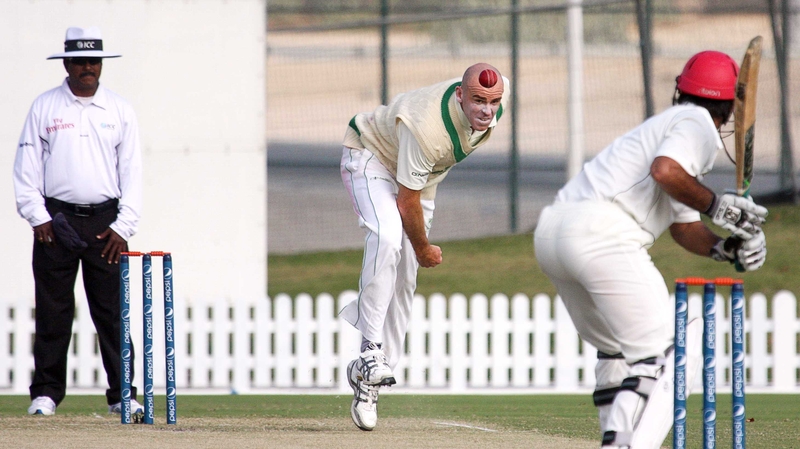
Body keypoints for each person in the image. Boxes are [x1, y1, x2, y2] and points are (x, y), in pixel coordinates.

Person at [533, 50, 768, 449]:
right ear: (731, 106)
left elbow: (683, 227)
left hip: (554, 233)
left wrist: (725, 248)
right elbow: (666, 171)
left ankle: (617, 437)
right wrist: (719, 206)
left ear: (682, 89)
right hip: (601, 234)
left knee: (617, 353)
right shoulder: (696, 125)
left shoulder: (670, 123)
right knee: (673, 352)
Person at [339, 63, 509, 430]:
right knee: (387, 239)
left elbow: (415, 190)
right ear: (460, 95)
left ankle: (368, 381)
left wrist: (415, 254)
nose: (486, 110)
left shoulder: (500, 97)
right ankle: (370, 350)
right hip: (371, 156)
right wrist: (424, 248)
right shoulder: (428, 129)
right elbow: (406, 202)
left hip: (419, 177)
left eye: (492, 102)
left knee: (404, 280)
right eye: (478, 100)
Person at [13, 26, 144, 416]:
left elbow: (133, 172)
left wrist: (124, 226)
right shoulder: (45, 107)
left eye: (94, 61)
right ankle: (46, 394)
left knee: (111, 312)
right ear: (66, 64)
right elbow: (26, 168)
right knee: (53, 310)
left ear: (101, 65)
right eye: (80, 61)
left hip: (105, 222)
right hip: (56, 221)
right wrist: (38, 217)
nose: (87, 68)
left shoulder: (119, 110)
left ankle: (122, 395)